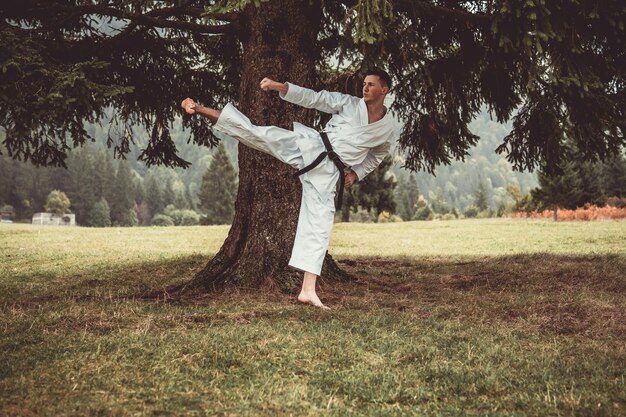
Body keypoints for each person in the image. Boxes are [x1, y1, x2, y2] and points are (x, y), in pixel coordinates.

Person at [181, 69, 396, 309]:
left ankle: (308, 290)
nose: (365, 88)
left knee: (320, 226)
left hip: (329, 172)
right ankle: (198, 108)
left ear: (384, 90)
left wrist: (356, 173)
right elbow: (316, 98)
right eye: (364, 84)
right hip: (310, 146)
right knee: (256, 133)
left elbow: (378, 154)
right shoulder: (349, 103)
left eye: (371, 85)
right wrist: (279, 86)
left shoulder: (386, 128)